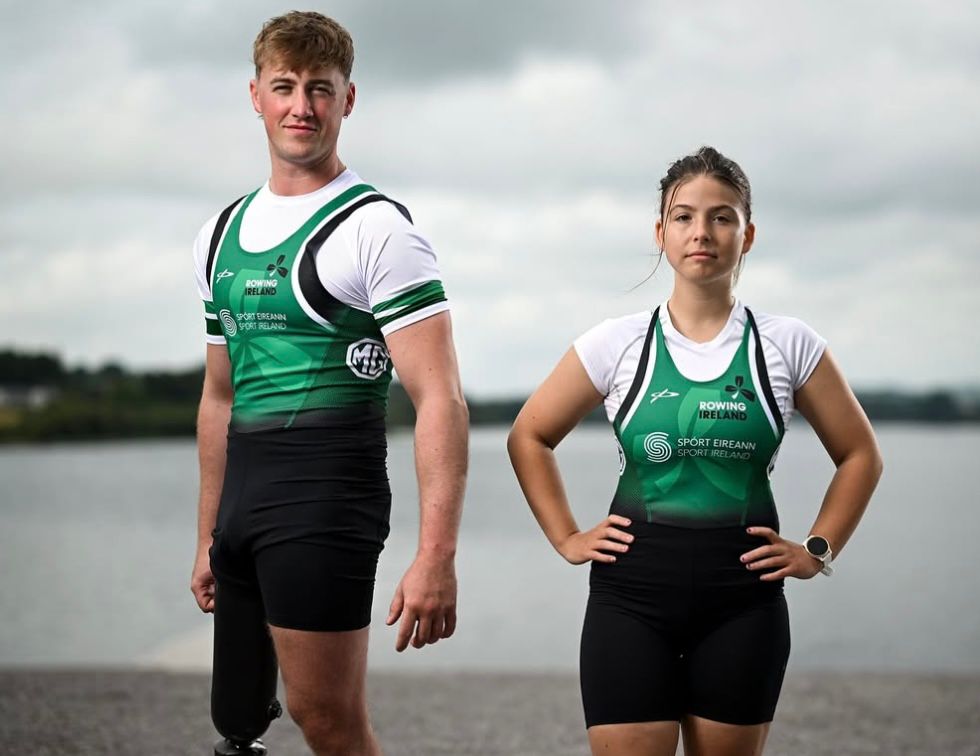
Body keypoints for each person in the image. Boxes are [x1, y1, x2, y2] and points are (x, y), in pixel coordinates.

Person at [507, 146, 882, 756]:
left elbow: (860, 455)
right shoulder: (618, 342)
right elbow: (529, 434)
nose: (701, 232)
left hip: (743, 607)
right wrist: (566, 536)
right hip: (630, 601)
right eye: (683, 217)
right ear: (660, 233)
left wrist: (818, 549)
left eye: (722, 216)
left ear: (747, 234)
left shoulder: (787, 344)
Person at [188, 12, 468, 755]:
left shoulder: (378, 229)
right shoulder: (218, 234)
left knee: (326, 718)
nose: (301, 106)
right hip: (244, 501)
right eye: (285, 87)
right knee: (237, 719)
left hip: (325, 497)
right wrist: (206, 534)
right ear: (256, 96)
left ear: (349, 99)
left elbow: (440, 397)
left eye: (321, 88)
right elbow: (220, 395)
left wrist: (435, 554)